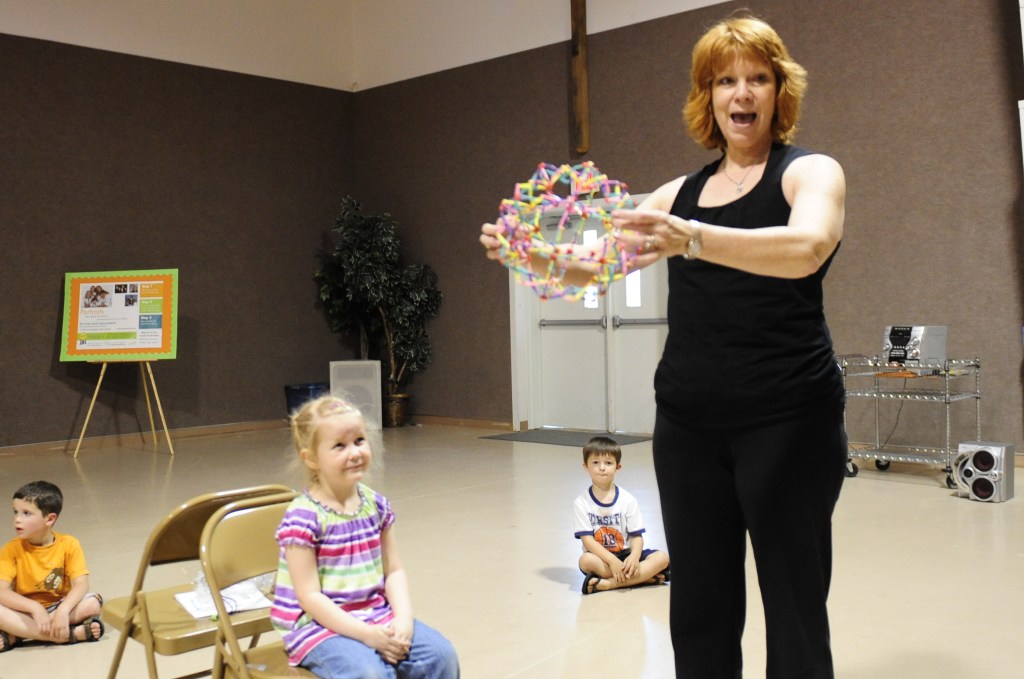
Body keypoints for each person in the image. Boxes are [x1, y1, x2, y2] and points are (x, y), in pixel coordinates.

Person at [481, 14, 847, 679]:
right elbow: (596, 267)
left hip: (788, 421)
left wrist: (695, 238)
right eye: (726, 80)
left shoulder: (809, 173)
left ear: (779, 91)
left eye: (757, 78)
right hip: (690, 426)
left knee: (794, 606)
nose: (742, 94)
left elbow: (808, 247)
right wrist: (533, 256)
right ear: (707, 96)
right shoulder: (681, 193)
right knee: (700, 607)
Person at [270, 395, 459, 679]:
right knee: (370, 674)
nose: (355, 452)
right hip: (318, 628)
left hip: (375, 613)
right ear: (310, 459)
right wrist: (367, 635)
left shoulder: (376, 505)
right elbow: (310, 597)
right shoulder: (303, 518)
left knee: (440, 655)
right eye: (339, 446)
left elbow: (393, 570)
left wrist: (404, 619)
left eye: (359, 440)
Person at [0, 480, 104, 652]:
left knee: (92, 603)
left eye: (26, 513)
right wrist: (35, 608)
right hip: (25, 609)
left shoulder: (69, 544)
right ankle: (68, 635)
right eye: (16, 512)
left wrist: (63, 611)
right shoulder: (11, 550)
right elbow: (1, 591)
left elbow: (81, 584)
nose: (17, 519)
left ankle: (17, 634)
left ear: (50, 519)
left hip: (59, 606)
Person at [573, 436, 670, 595]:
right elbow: (588, 541)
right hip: (602, 558)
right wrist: (612, 561)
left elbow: (636, 536)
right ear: (586, 466)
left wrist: (634, 556)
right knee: (585, 561)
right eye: (595, 462)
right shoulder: (581, 503)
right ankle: (645, 578)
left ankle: (609, 584)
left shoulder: (628, 500)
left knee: (662, 558)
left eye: (608, 463)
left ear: (618, 467)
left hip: (626, 555)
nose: (602, 468)